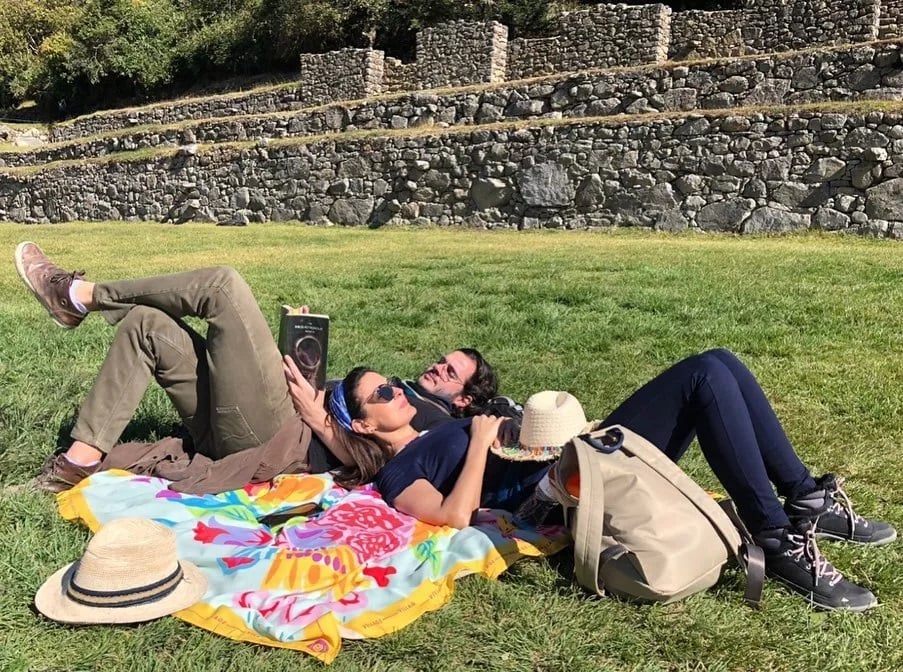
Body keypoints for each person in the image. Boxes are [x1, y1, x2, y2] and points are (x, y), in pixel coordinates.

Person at [322, 351, 896, 612]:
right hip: (559, 497)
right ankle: (775, 536)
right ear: (366, 423)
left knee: (718, 363)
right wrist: (476, 446)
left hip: (571, 457)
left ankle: (806, 499)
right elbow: (449, 516)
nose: (399, 391)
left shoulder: (438, 418)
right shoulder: (399, 470)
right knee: (700, 379)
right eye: (382, 393)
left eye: (393, 382)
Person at [14, 241, 499, 492]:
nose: (435, 369)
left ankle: (78, 296)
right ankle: (78, 462)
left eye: (451, 373)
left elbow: (392, 466)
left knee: (222, 288)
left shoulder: (438, 423)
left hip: (280, 435)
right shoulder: (411, 395)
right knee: (147, 325)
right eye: (442, 359)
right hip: (261, 417)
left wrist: (324, 425)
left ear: (465, 400)